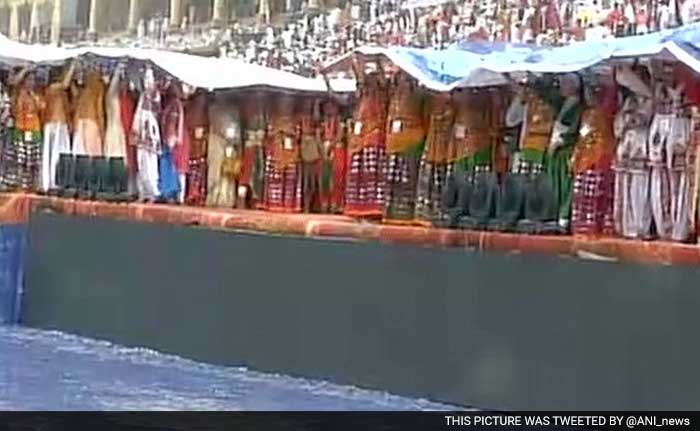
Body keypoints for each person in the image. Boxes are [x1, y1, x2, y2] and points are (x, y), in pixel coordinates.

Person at [383, 71, 426, 223]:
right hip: (394, 142)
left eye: (406, 79)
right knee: (392, 179)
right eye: (401, 79)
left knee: (408, 177)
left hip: (411, 141)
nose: (403, 82)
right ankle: (390, 212)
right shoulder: (393, 95)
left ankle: (407, 212)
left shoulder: (418, 94)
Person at [42, 61, 74, 193]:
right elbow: (66, 84)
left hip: (61, 124)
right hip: (54, 124)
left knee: (61, 154)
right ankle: (51, 183)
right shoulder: (53, 88)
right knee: (53, 154)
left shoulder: (61, 92)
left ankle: (59, 182)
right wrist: (73, 65)